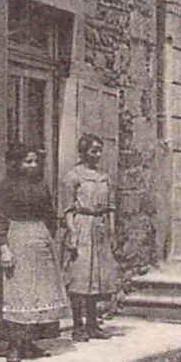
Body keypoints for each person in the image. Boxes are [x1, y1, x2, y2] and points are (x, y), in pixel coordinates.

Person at [0, 145, 70, 362]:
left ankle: (30, 343)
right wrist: (4, 247)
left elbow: (50, 215)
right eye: (28, 162)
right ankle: (14, 345)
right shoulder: (6, 188)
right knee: (17, 292)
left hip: (40, 242)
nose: (33, 166)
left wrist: (47, 239)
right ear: (17, 163)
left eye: (35, 162)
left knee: (39, 292)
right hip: (16, 240)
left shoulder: (41, 187)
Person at [61, 134, 117, 342]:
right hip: (82, 226)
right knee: (80, 276)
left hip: (100, 228)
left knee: (97, 278)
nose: (98, 155)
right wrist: (72, 233)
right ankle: (77, 326)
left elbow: (111, 207)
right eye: (94, 151)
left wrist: (111, 232)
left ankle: (93, 324)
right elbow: (67, 209)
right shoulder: (73, 176)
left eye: (99, 151)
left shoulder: (104, 177)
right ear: (83, 152)